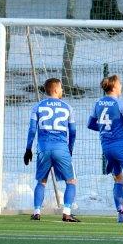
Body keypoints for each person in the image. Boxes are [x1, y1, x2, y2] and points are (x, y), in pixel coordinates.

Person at [87, 75, 123, 223]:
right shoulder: (120, 103)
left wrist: (105, 129)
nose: (121, 86)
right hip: (121, 146)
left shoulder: (98, 103)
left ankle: (121, 216)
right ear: (114, 87)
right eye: (120, 84)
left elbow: (90, 124)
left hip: (106, 147)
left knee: (118, 179)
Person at [23, 78, 79, 222]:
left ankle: (37, 212)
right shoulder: (68, 107)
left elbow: (32, 130)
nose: (62, 90)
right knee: (71, 181)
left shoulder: (37, 107)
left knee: (41, 182)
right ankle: (67, 212)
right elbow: (73, 132)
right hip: (61, 149)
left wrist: (28, 149)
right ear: (55, 89)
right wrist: (70, 149)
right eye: (61, 88)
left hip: (43, 148)